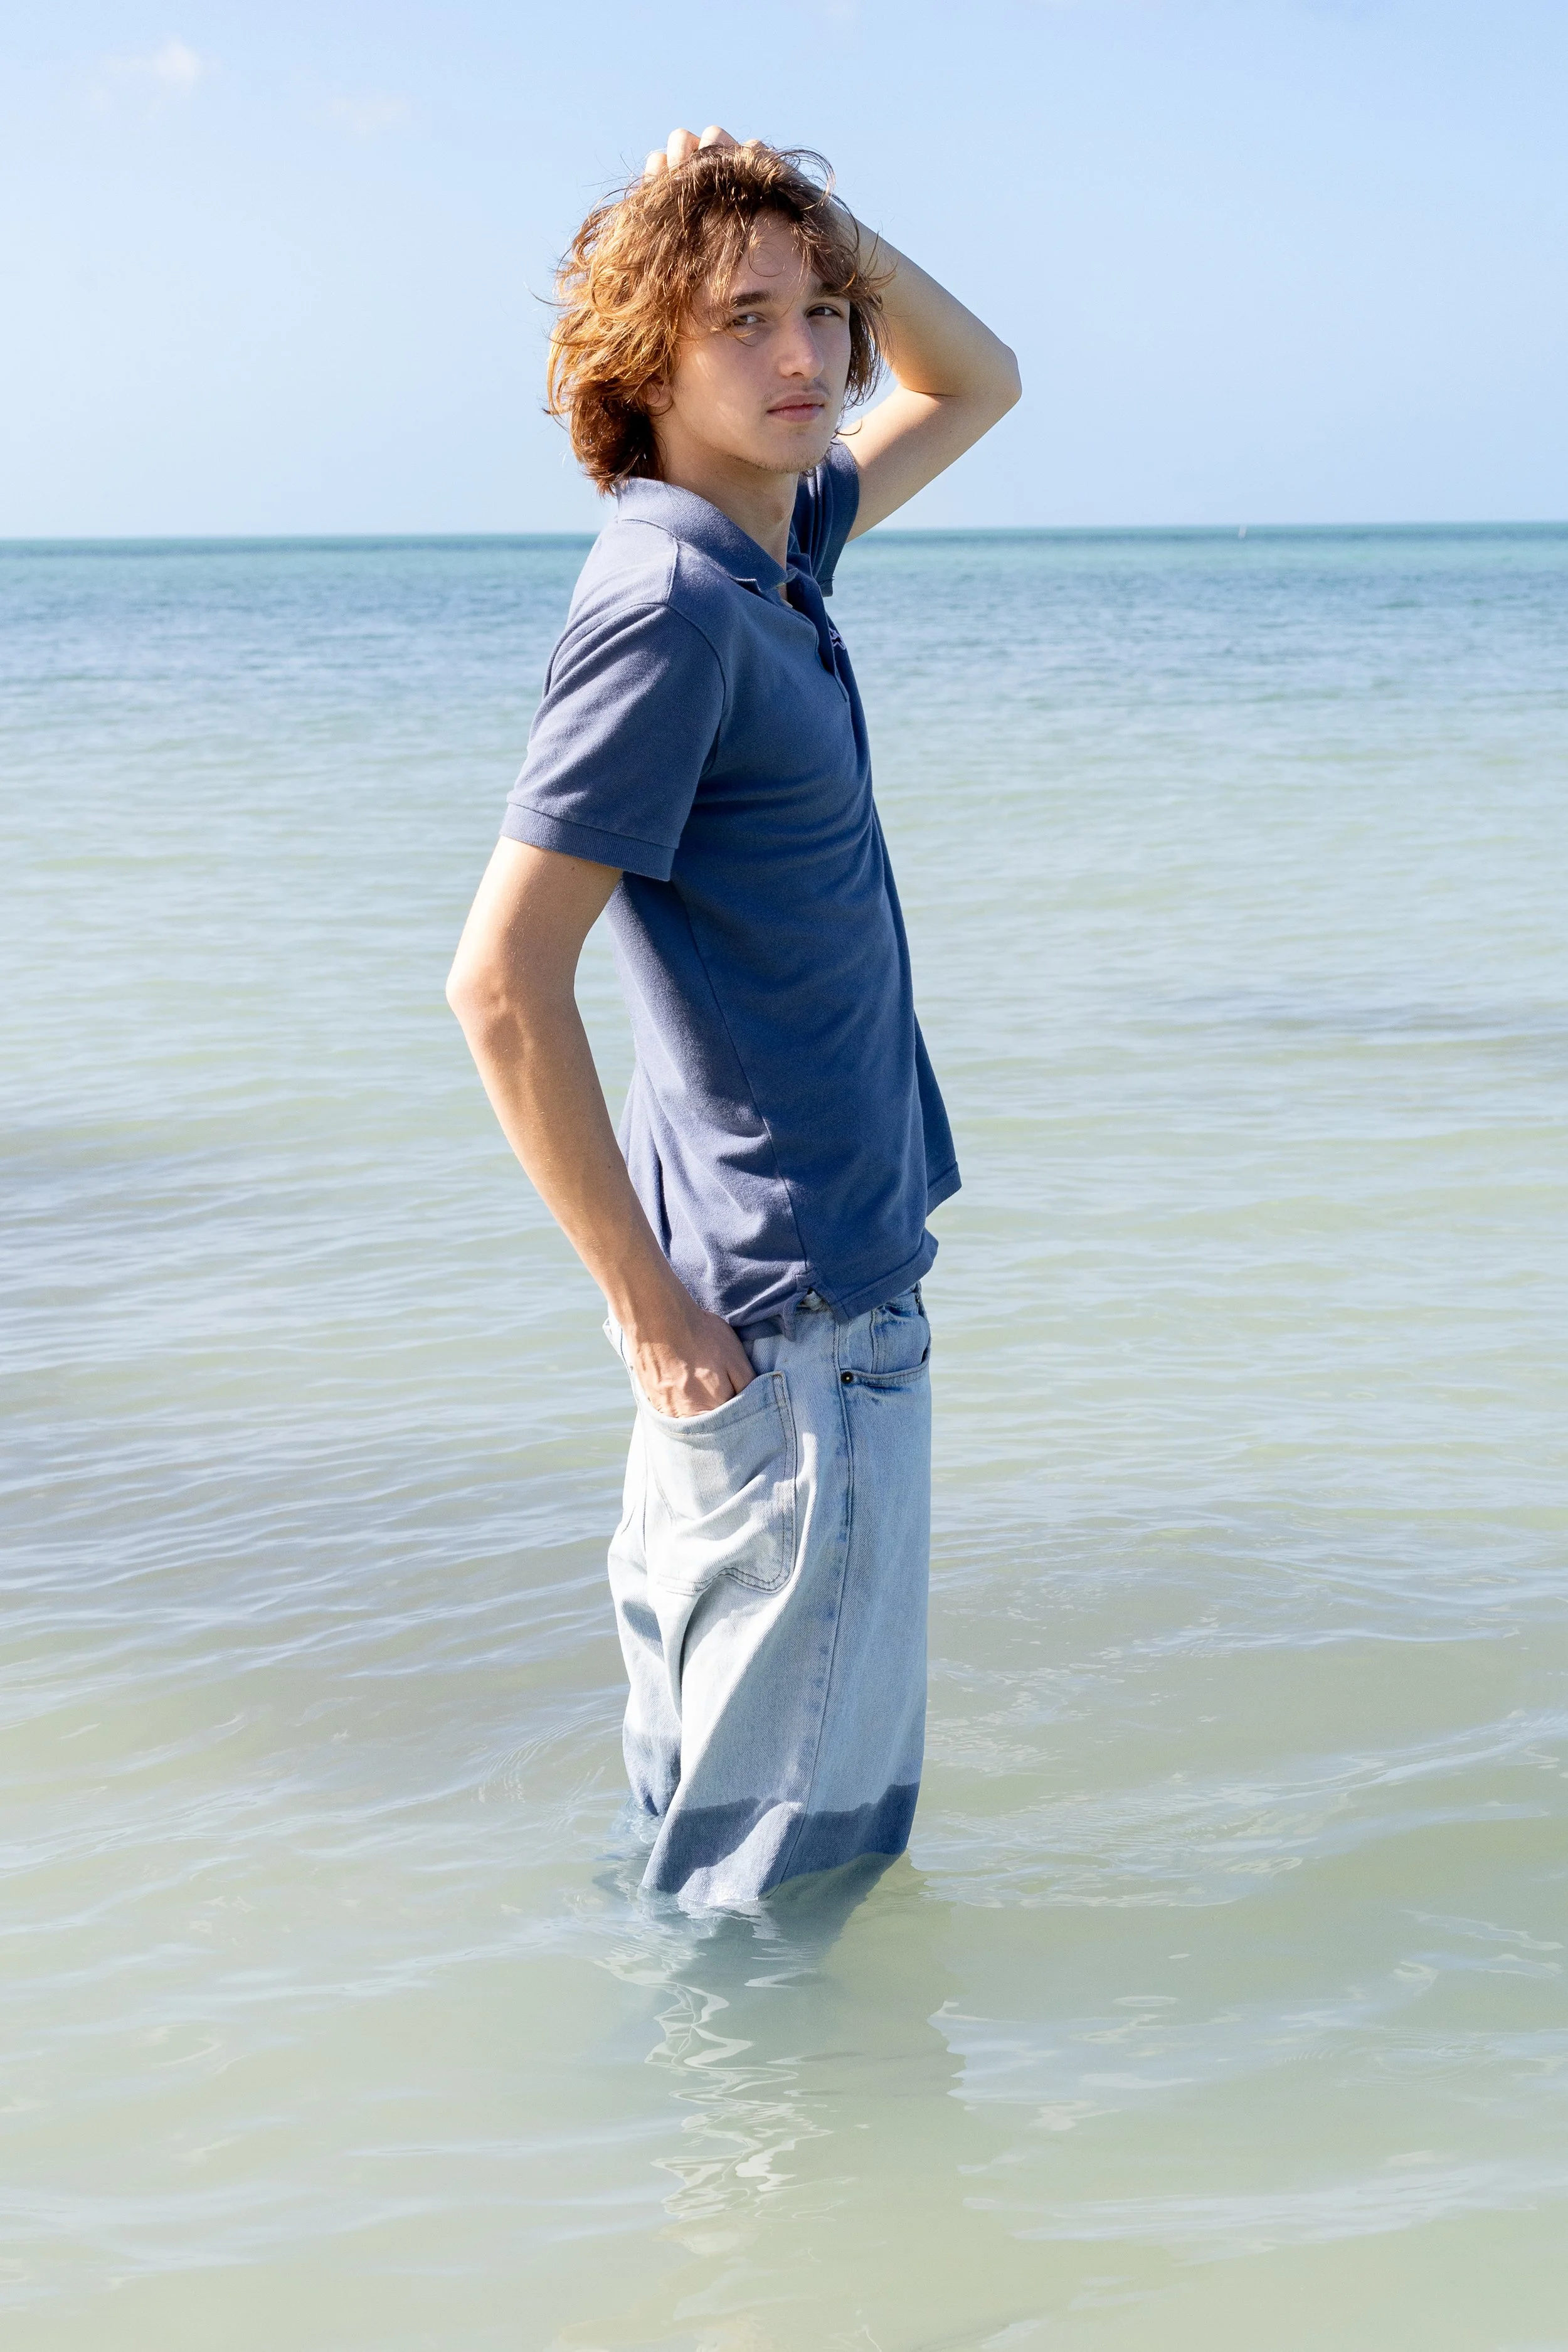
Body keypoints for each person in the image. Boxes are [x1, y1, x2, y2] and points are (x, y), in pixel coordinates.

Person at [447, 126, 1019, 1906]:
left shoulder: (772, 552)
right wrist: (653, 1309)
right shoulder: (676, 606)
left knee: (700, 1856)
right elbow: (499, 980)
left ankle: (670, 2175)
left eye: (821, 314)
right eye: (742, 320)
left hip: (774, 1320)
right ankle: (787, 2184)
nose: (804, 359)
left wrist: (820, 216)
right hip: (785, 1333)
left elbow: (976, 380)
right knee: (784, 1887)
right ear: (647, 366)